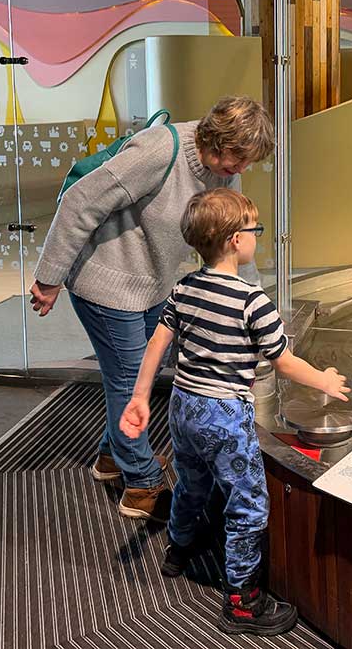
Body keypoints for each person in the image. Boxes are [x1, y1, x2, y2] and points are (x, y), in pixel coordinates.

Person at [29, 97, 274, 522]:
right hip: (106, 282)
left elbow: (227, 236)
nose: (241, 170)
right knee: (128, 382)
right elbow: (78, 202)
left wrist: (251, 301)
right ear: (218, 140)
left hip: (151, 285)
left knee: (133, 375)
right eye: (239, 158)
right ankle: (140, 485)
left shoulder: (219, 172)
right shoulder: (160, 150)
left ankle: (111, 460)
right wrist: (49, 278)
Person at [120, 188, 349, 636]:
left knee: (190, 480)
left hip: (183, 406)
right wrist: (323, 379)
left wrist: (140, 396)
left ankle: (179, 548)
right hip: (225, 413)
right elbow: (282, 361)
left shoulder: (184, 287)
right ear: (233, 241)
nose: (256, 236)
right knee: (248, 506)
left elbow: (158, 343)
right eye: (253, 229)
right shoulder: (251, 301)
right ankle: (243, 601)